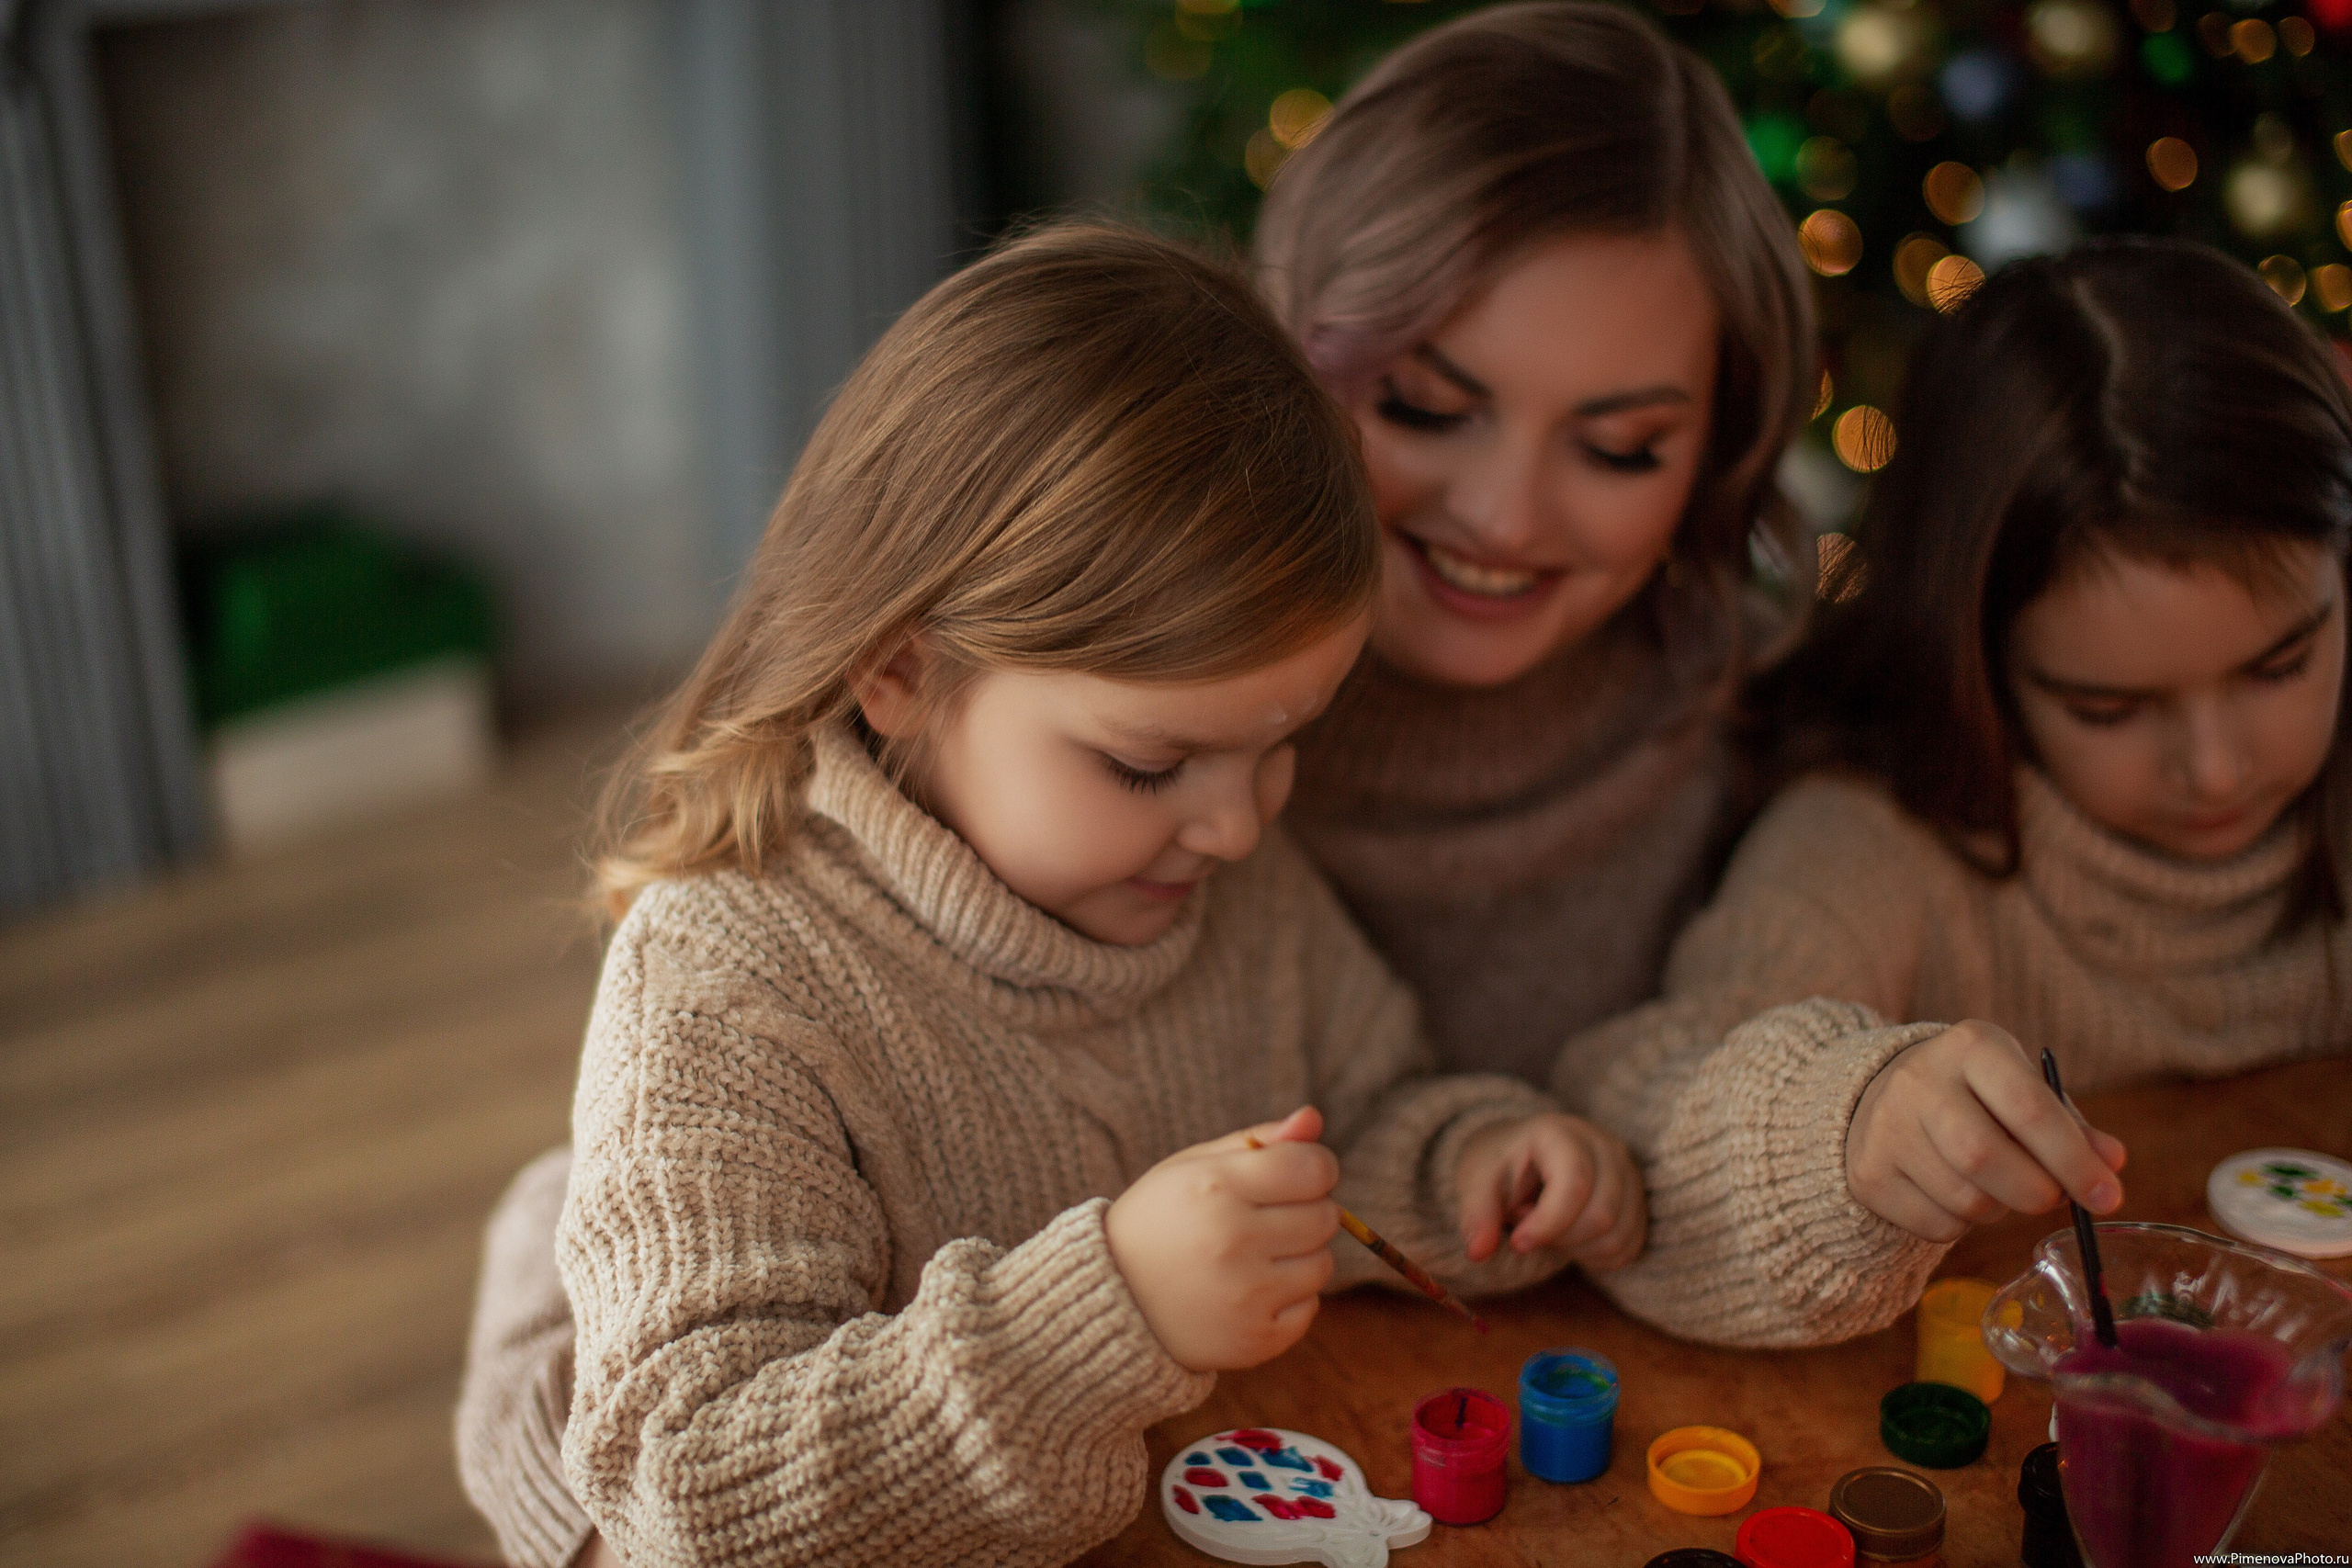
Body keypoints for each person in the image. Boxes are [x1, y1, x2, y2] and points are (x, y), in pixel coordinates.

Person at [461, 223, 1640, 1568]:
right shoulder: (731, 980)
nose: (1238, 822)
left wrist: (1468, 1161)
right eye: (1150, 761)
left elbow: (1352, 1122)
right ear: (896, 668)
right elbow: (689, 1496)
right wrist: (1113, 1306)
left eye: (1282, 742)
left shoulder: (1227, 889)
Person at [1555, 237, 2352, 1348]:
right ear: (1974, 650)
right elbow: (1645, 1118)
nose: (2216, 769)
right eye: (2106, 709)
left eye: (2280, 667)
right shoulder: (1872, 847)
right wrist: (1849, 1126)